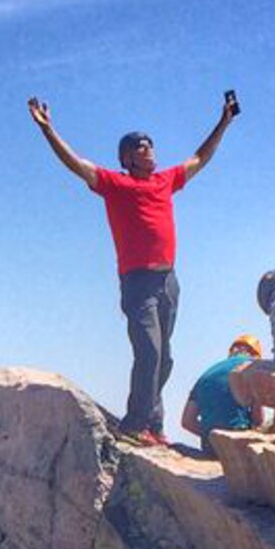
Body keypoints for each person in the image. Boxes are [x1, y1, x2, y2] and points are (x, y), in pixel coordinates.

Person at [28, 93, 240, 443]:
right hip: (138, 282)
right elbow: (76, 164)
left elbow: (200, 157)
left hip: (168, 279)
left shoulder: (165, 181)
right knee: (149, 352)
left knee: (165, 358)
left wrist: (224, 121)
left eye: (150, 145)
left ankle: (154, 425)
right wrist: (48, 130)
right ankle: (133, 424)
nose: (149, 150)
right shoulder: (116, 184)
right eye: (141, 147)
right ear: (126, 157)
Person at [181, 335, 264, 442]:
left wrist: (213, 436)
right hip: (238, 438)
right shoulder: (251, 366)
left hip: (210, 445)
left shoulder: (207, 374)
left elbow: (187, 421)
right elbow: (258, 419)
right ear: (255, 355)